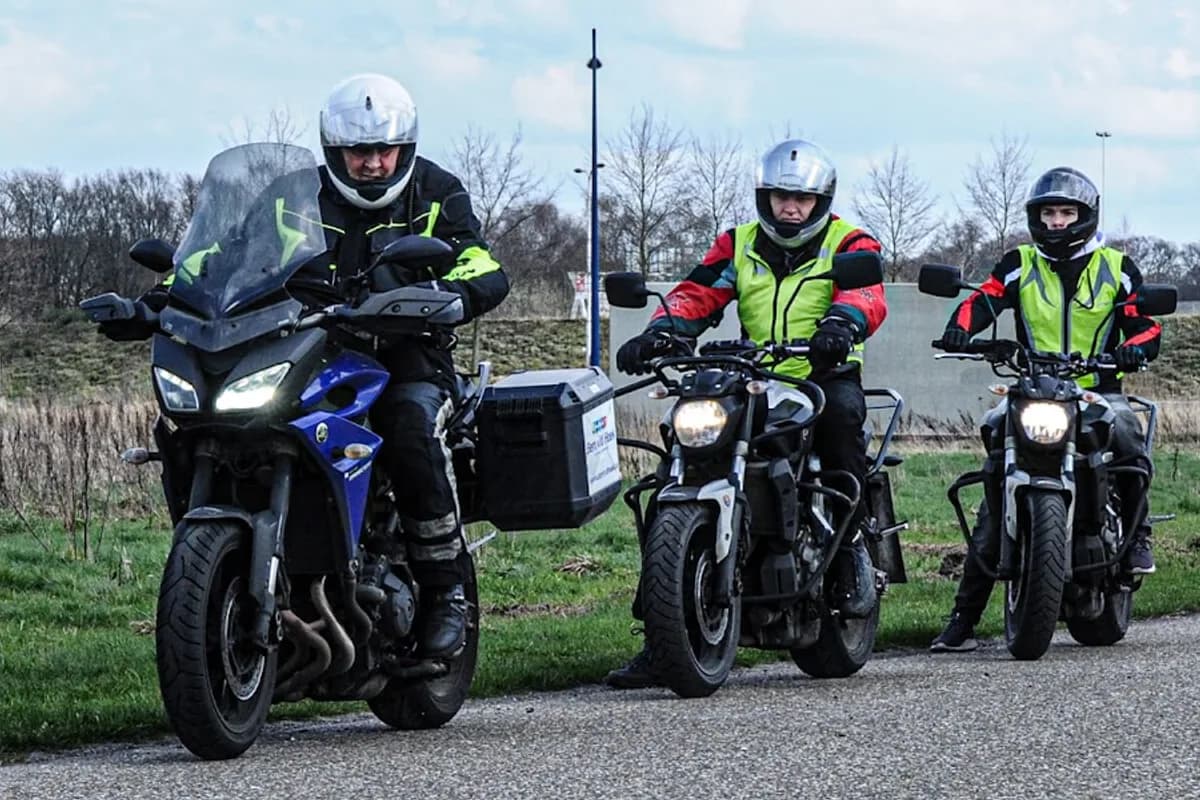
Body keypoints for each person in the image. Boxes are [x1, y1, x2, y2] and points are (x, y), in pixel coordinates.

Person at [101, 73, 510, 659]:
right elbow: (222, 257)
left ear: (405, 147)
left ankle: (446, 593)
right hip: (307, 343)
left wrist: (454, 295)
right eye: (357, 152)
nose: (371, 164)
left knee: (410, 427)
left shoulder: (435, 191)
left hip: (406, 353)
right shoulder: (292, 195)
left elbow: (481, 262)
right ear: (333, 150)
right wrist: (153, 302)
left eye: (382, 150)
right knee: (206, 424)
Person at [605, 138, 889, 688]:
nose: (791, 207)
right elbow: (698, 292)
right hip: (756, 374)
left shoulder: (848, 241)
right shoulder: (738, 243)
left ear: (820, 200)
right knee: (678, 465)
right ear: (765, 196)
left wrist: (841, 326)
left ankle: (850, 553)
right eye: (781, 196)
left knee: (842, 427)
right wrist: (661, 332)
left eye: (802, 199)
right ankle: (663, 638)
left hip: (822, 372)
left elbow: (867, 294)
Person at [929, 166, 1161, 653]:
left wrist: (1134, 347)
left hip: (1097, 390)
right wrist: (960, 330)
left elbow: (1146, 323)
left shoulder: (1116, 267)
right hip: (1032, 389)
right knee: (994, 472)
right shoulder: (1019, 263)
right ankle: (963, 618)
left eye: (1066, 212)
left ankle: (1138, 537)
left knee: (1126, 432)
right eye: (1049, 213)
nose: (1057, 221)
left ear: (1084, 216)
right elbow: (984, 301)